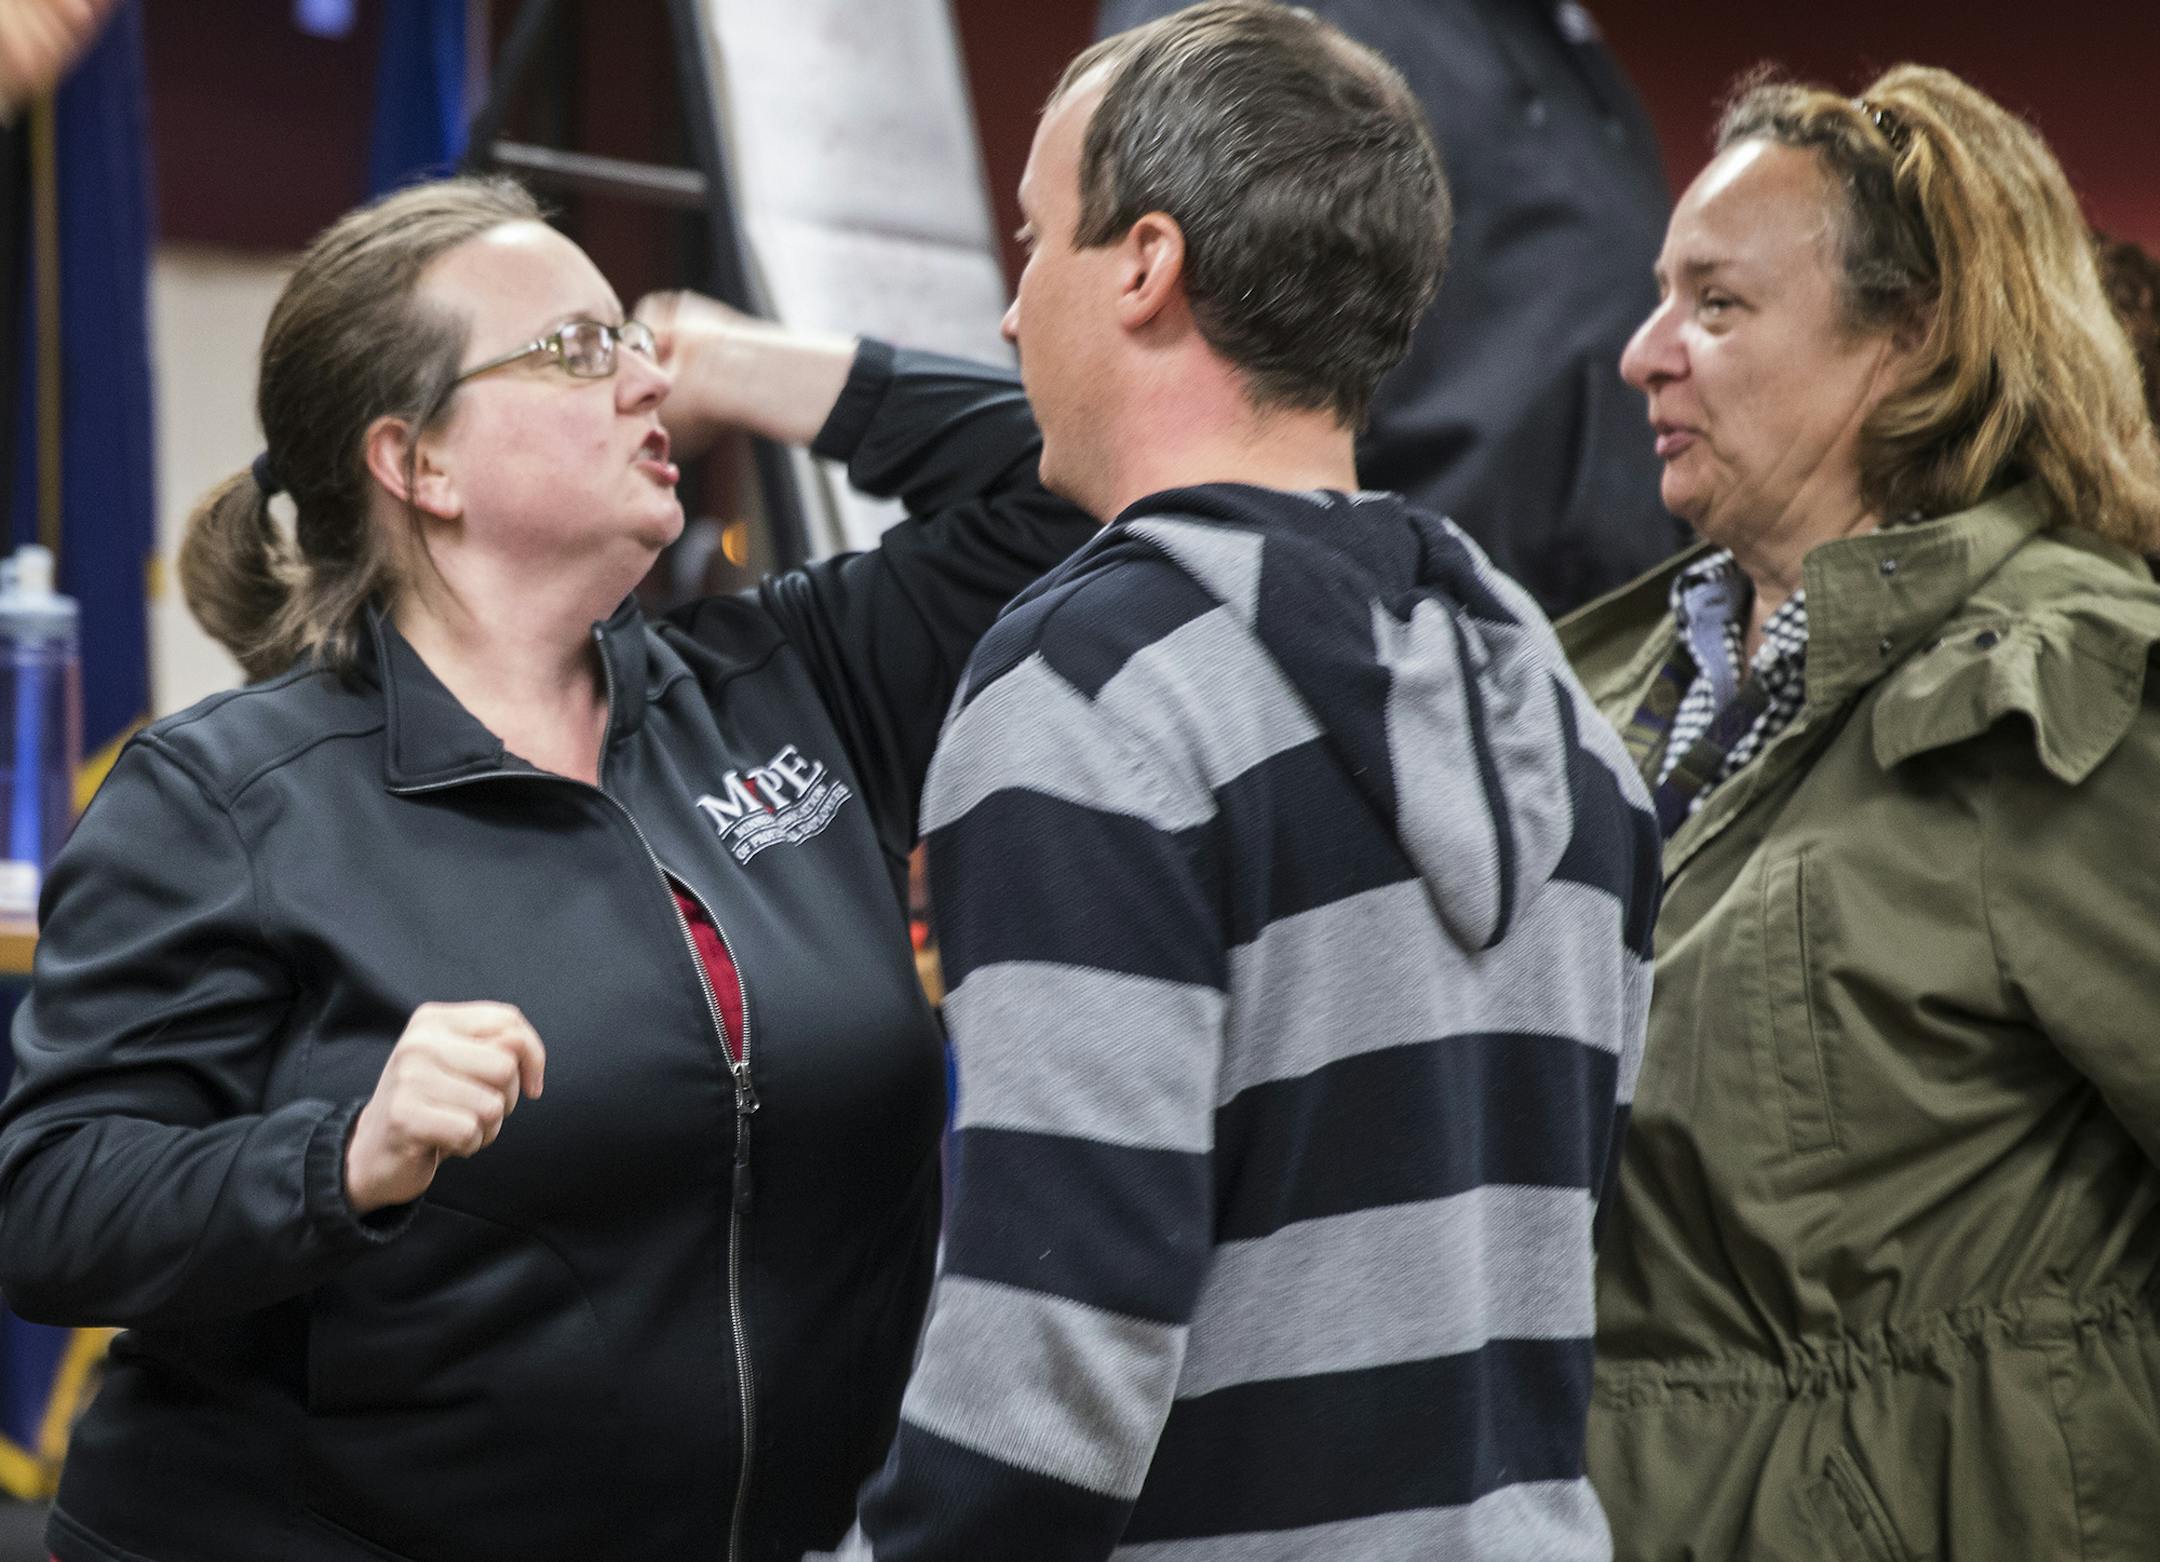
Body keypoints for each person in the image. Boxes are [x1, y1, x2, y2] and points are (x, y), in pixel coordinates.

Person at [0, 176, 1094, 1562]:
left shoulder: (789, 681)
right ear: (420, 464)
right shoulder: (224, 797)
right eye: (578, 351)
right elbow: (53, 1204)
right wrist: (346, 1155)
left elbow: (1062, 486)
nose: (642, 379)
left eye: (632, 339)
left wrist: (746, 362)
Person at [824, 5, 1659, 1558]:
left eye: (1033, 246)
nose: (1013, 318)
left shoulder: (1088, 689)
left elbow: (1052, 1368)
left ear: (1142, 264)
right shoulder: (1553, 692)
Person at [1560, 65, 2160, 1562]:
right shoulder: (1579, 686)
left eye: (1716, 304)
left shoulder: (2068, 691)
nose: (1643, 354)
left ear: (1910, 340)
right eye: (1659, 298)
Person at [1092, 0, 1687, 615]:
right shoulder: (1249, 19)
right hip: (1407, 622)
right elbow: (1192, 366)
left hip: (1603, 616)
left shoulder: (1543, 25)